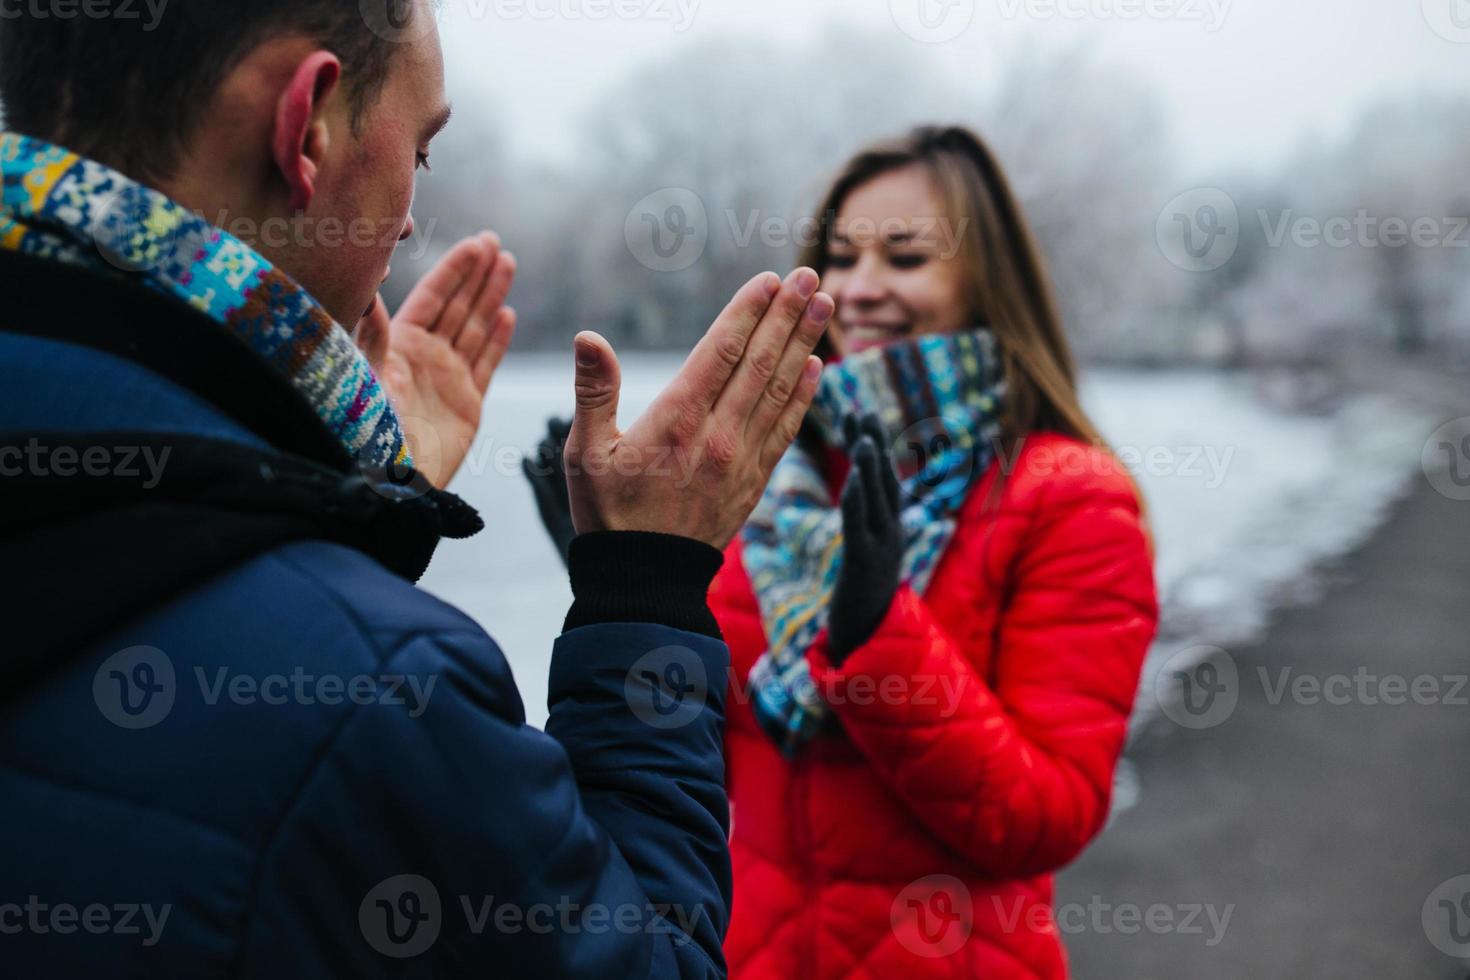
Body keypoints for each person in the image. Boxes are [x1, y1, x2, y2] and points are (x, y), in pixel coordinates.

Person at [0, 2, 835, 976]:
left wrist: (349, 511)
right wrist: (645, 588)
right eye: (424, 152)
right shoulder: (382, 696)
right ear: (306, 125)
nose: (406, 216)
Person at [527, 126, 1160, 978]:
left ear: (987, 278)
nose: (862, 289)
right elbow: (689, 765)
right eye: (840, 256)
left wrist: (881, 641)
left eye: (905, 257)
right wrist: (627, 584)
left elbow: (1047, 816)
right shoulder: (770, 485)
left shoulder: (1069, 494)